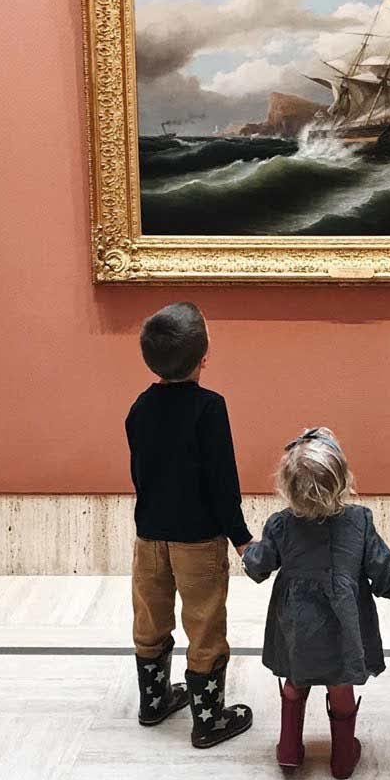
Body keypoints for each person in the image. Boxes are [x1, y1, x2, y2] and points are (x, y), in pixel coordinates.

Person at [241, 427, 390, 779]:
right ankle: (343, 758)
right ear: (343, 479)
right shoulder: (360, 521)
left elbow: (258, 566)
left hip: (297, 622)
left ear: (286, 484)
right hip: (344, 623)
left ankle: (289, 750)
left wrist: (246, 550)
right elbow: (381, 569)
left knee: (295, 679)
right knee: (340, 683)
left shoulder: (280, 524)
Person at [126, 301, 254, 748]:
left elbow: (140, 474)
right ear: (204, 355)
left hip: (149, 537)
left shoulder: (139, 407)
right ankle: (208, 720)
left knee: (150, 619)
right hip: (198, 540)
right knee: (203, 626)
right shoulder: (209, 409)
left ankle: (153, 701)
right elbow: (223, 482)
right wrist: (241, 539)